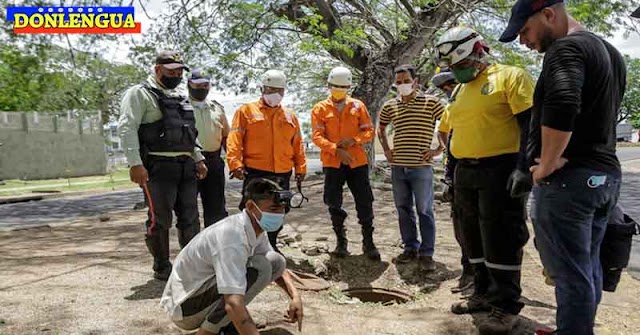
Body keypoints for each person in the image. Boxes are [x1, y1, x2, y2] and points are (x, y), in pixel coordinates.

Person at [500, 1, 626, 334]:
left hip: (570, 182)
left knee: (570, 275)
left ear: (549, 15)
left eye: (525, 31)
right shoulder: (610, 52)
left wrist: (547, 163)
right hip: (603, 178)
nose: (523, 41)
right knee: (587, 268)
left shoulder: (566, 49)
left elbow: (565, 101)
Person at [435, 27, 534, 334]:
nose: (457, 71)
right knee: (471, 236)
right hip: (466, 171)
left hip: (500, 169)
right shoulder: (460, 90)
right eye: (453, 68)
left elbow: (530, 125)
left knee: (501, 236)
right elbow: (453, 133)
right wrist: (451, 175)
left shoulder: (511, 77)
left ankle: (505, 306)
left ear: (479, 51)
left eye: (461, 65)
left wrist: (524, 168)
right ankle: (481, 293)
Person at [160, 178, 304, 335]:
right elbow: (233, 303)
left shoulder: (254, 226)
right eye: (273, 209)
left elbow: (277, 264)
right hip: (186, 309)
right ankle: (206, 332)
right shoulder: (232, 236)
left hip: (199, 296)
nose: (279, 215)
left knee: (276, 262)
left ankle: (223, 323)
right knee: (260, 267)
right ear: (250, 206)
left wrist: (294, 296)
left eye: (282, 209)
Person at [118, 50, 208, 281]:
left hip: (185, 166)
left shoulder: (179, 97)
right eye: (171, 71)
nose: (176, 75)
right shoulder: (139, 94)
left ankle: (190, 265)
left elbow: (188, 133)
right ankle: (161, 266)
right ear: (158, 70)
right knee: (160, 219)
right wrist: (135, 164)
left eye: (179, 71)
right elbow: (127, 128)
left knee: (190, 217)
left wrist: (198, 158)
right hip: (157, 167)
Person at [226, 69, 307, 253]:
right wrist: (235, 164)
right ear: (262, 88)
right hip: (256, 172)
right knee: (252, 210)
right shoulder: (246, 111)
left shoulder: (290, 116)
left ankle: (270, 245)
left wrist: (300, 168)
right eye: (271, 90)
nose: (275, 94)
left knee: (279, 210)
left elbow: (298, 144)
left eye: (280, 90)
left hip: (282, 172)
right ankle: (249, 247)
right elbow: (234, 139)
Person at [377, 65, 445, 271]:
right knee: (403, 209)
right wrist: (387, 150)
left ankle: (427, 253)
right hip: (398, 167)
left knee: (424, 210)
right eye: (398, 82)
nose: (402, 85)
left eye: (406, 81)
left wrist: (439, 148)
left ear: (415, 81)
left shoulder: (432, 103)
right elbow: (381, 128)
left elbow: (448, 124)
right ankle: (410, 248)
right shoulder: (390, 106)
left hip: (422, 167)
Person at [311, 66, 380, 261]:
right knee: (333, 200)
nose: (339, 89)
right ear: (329, 85)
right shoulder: (320, 108)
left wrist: (355, 140)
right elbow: (316, 136)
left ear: (349, 87)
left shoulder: (358, 106)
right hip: (333, 163)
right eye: (335, 86)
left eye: (343, 86)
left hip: (357, 162)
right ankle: (341, 241)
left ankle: (369, 242)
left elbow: (369, 131)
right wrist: (336, 150)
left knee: (364, 199)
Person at [431, 70, 473, 292]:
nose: (447, 89)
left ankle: (484, 279)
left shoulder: (477, 104)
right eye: (443, 87)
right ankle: (468, 272)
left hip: (479, 173)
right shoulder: (452, 107)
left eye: (451, 84)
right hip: (455, 175)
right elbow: (444, 132)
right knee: (461, 228)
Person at [189, 69, 231, 227]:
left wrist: (235, 163)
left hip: (214, 162)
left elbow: (227, 137)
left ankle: (216, 246)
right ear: (189, 84)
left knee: (217, 209)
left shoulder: (217, 108)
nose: (201, 88)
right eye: (197, 84)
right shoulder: (181, 107)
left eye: (205, 85)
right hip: (189, 163)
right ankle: (192, 247)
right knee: (189, 210)